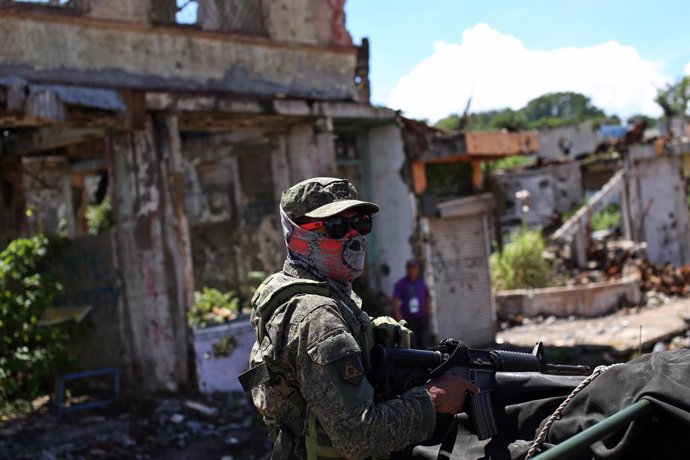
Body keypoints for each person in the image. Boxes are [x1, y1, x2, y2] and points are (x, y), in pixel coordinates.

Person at [240, 177, 477, 460]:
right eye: (336, 226)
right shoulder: (316, 317)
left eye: (361, 223)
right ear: (298, 233)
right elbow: (359, 436)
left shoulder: (312, 294)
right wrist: (432, 400)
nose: (354, 236)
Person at [392, 259, 432, 349]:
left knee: (423, 343)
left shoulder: (422, 283)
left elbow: (427, 298)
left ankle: (425, 361)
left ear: (417, 270)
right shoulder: (401, 284)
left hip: (421, 318)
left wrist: (428, 313)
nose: (411, 270)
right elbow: (395, 302)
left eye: (414, 268)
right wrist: (400, 320)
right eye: (409, 267)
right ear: (407, 269)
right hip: (408, 320)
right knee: (411, 345)